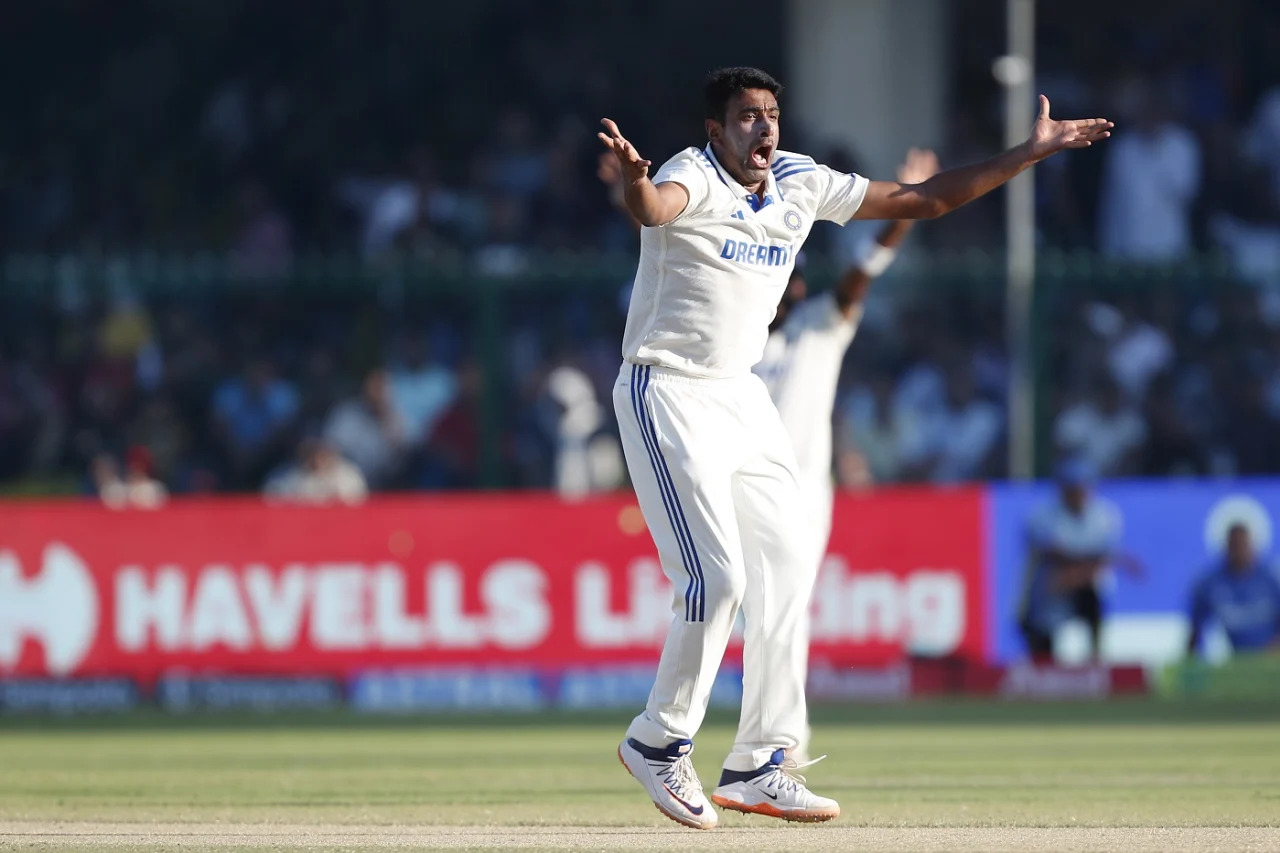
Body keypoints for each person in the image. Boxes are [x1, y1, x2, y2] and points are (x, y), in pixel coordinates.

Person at [599, 66, 1110, 829]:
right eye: (745, 116)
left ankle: (760, 761)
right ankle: (659, 739)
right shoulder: (690, 174)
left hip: (740, 394)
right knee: (718, 576)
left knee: (785, 569)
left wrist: (1026, 153)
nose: (763, 128)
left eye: (770, 114)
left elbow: (927, 200)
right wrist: (636, 186)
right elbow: (654, 208)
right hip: (666, 386)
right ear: (716, 130)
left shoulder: (801, 182)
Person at [1016, 459, 1136, 662]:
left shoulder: (1104, 515)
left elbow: (1106, 557)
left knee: (1093, 600)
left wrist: (1075, 573)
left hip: (1082, 583)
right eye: (1072, 489)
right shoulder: (1043, 516)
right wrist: (1083, 564)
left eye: (1082, 488)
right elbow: (1053, 554)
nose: (1077, 495)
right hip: (1047, 588)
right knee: (1041, 637)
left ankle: (1095, 660)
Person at [1187, 523, 1280, 657]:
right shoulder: (1212, 584)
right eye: (1235, 546)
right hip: (1237, 660)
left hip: (1271, 660)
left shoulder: (1270, 581)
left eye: (1243, 545)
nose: (1239, 552)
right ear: (1226, 548)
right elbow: (1195, 629)